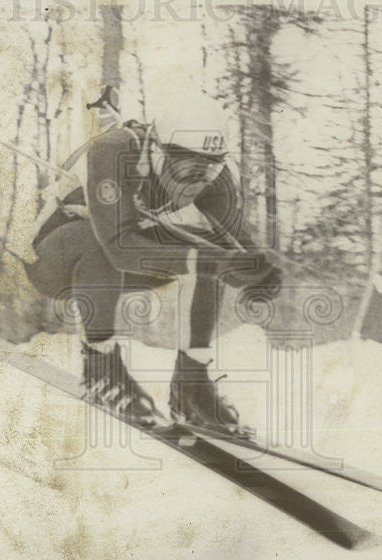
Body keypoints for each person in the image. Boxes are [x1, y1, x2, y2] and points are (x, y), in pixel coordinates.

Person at [24, 94, 281, 432]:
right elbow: (119, 247)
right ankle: (100, 365)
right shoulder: (113, 151)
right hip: (55, 259)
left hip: (119, 262)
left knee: (208, 249)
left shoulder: (209, 175)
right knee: (105, 241)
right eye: (187, 169)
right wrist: (213, 262)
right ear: (159, 151)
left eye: (211, 169)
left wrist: (260, 270)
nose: (197, 182)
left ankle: (192, 383)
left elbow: (238, 245)